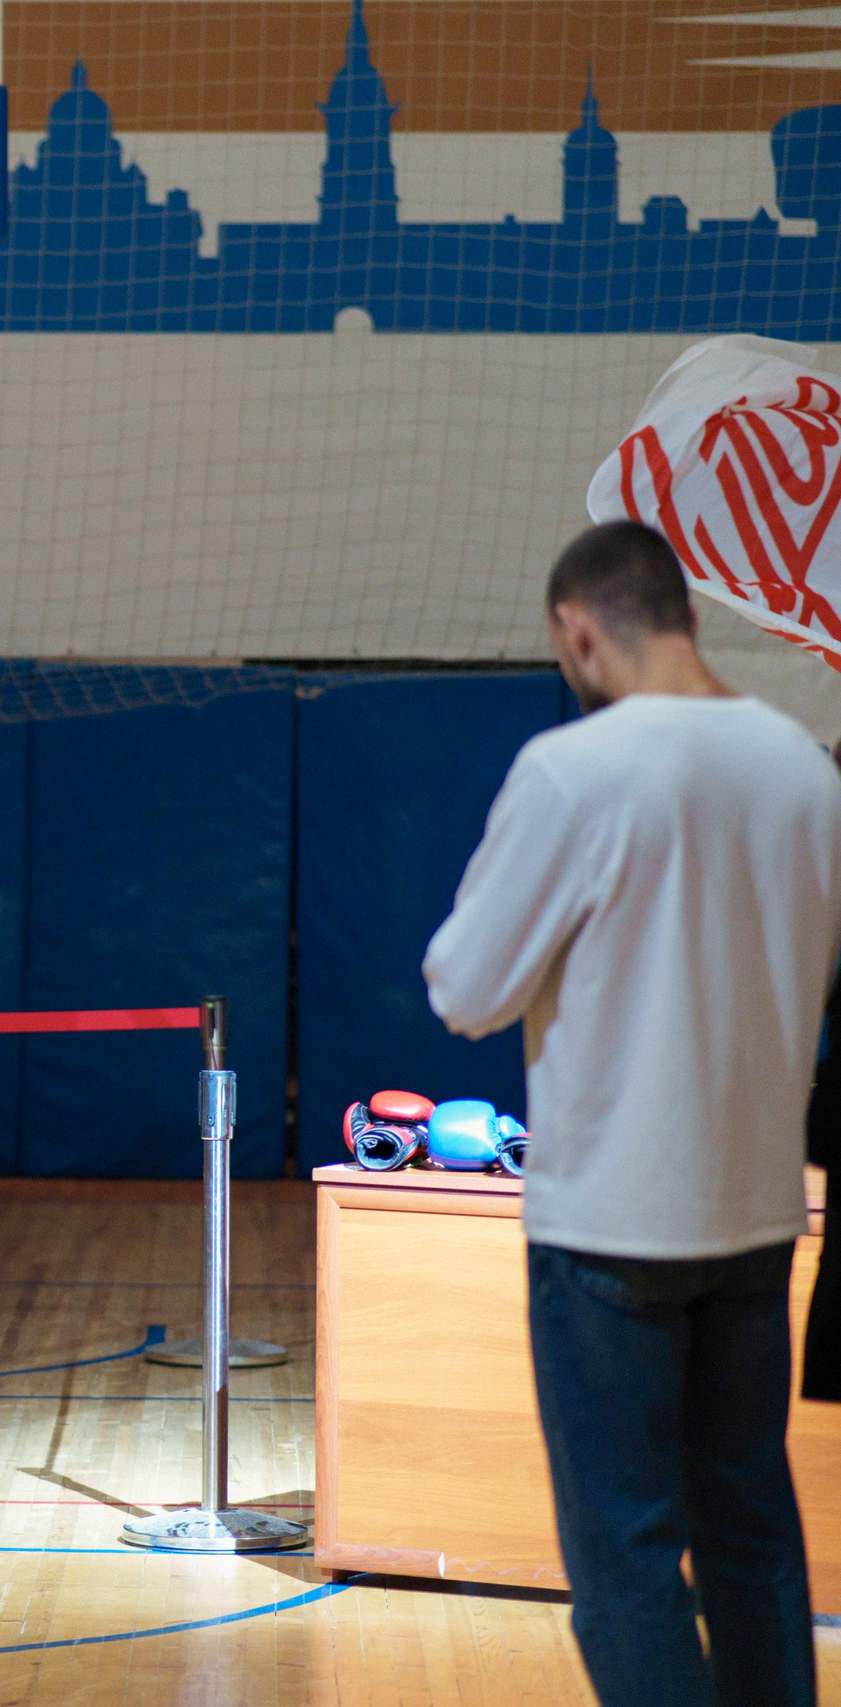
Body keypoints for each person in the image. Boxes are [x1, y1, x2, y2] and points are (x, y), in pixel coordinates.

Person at [423, 519, 841, 1707]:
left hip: (611, 1223)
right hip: (757, 1216)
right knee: (752, 1539)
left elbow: (463, 989)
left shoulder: (574, 771)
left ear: (576, 630)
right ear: (689, 616)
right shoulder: (806, 770)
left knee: (627, 1564)